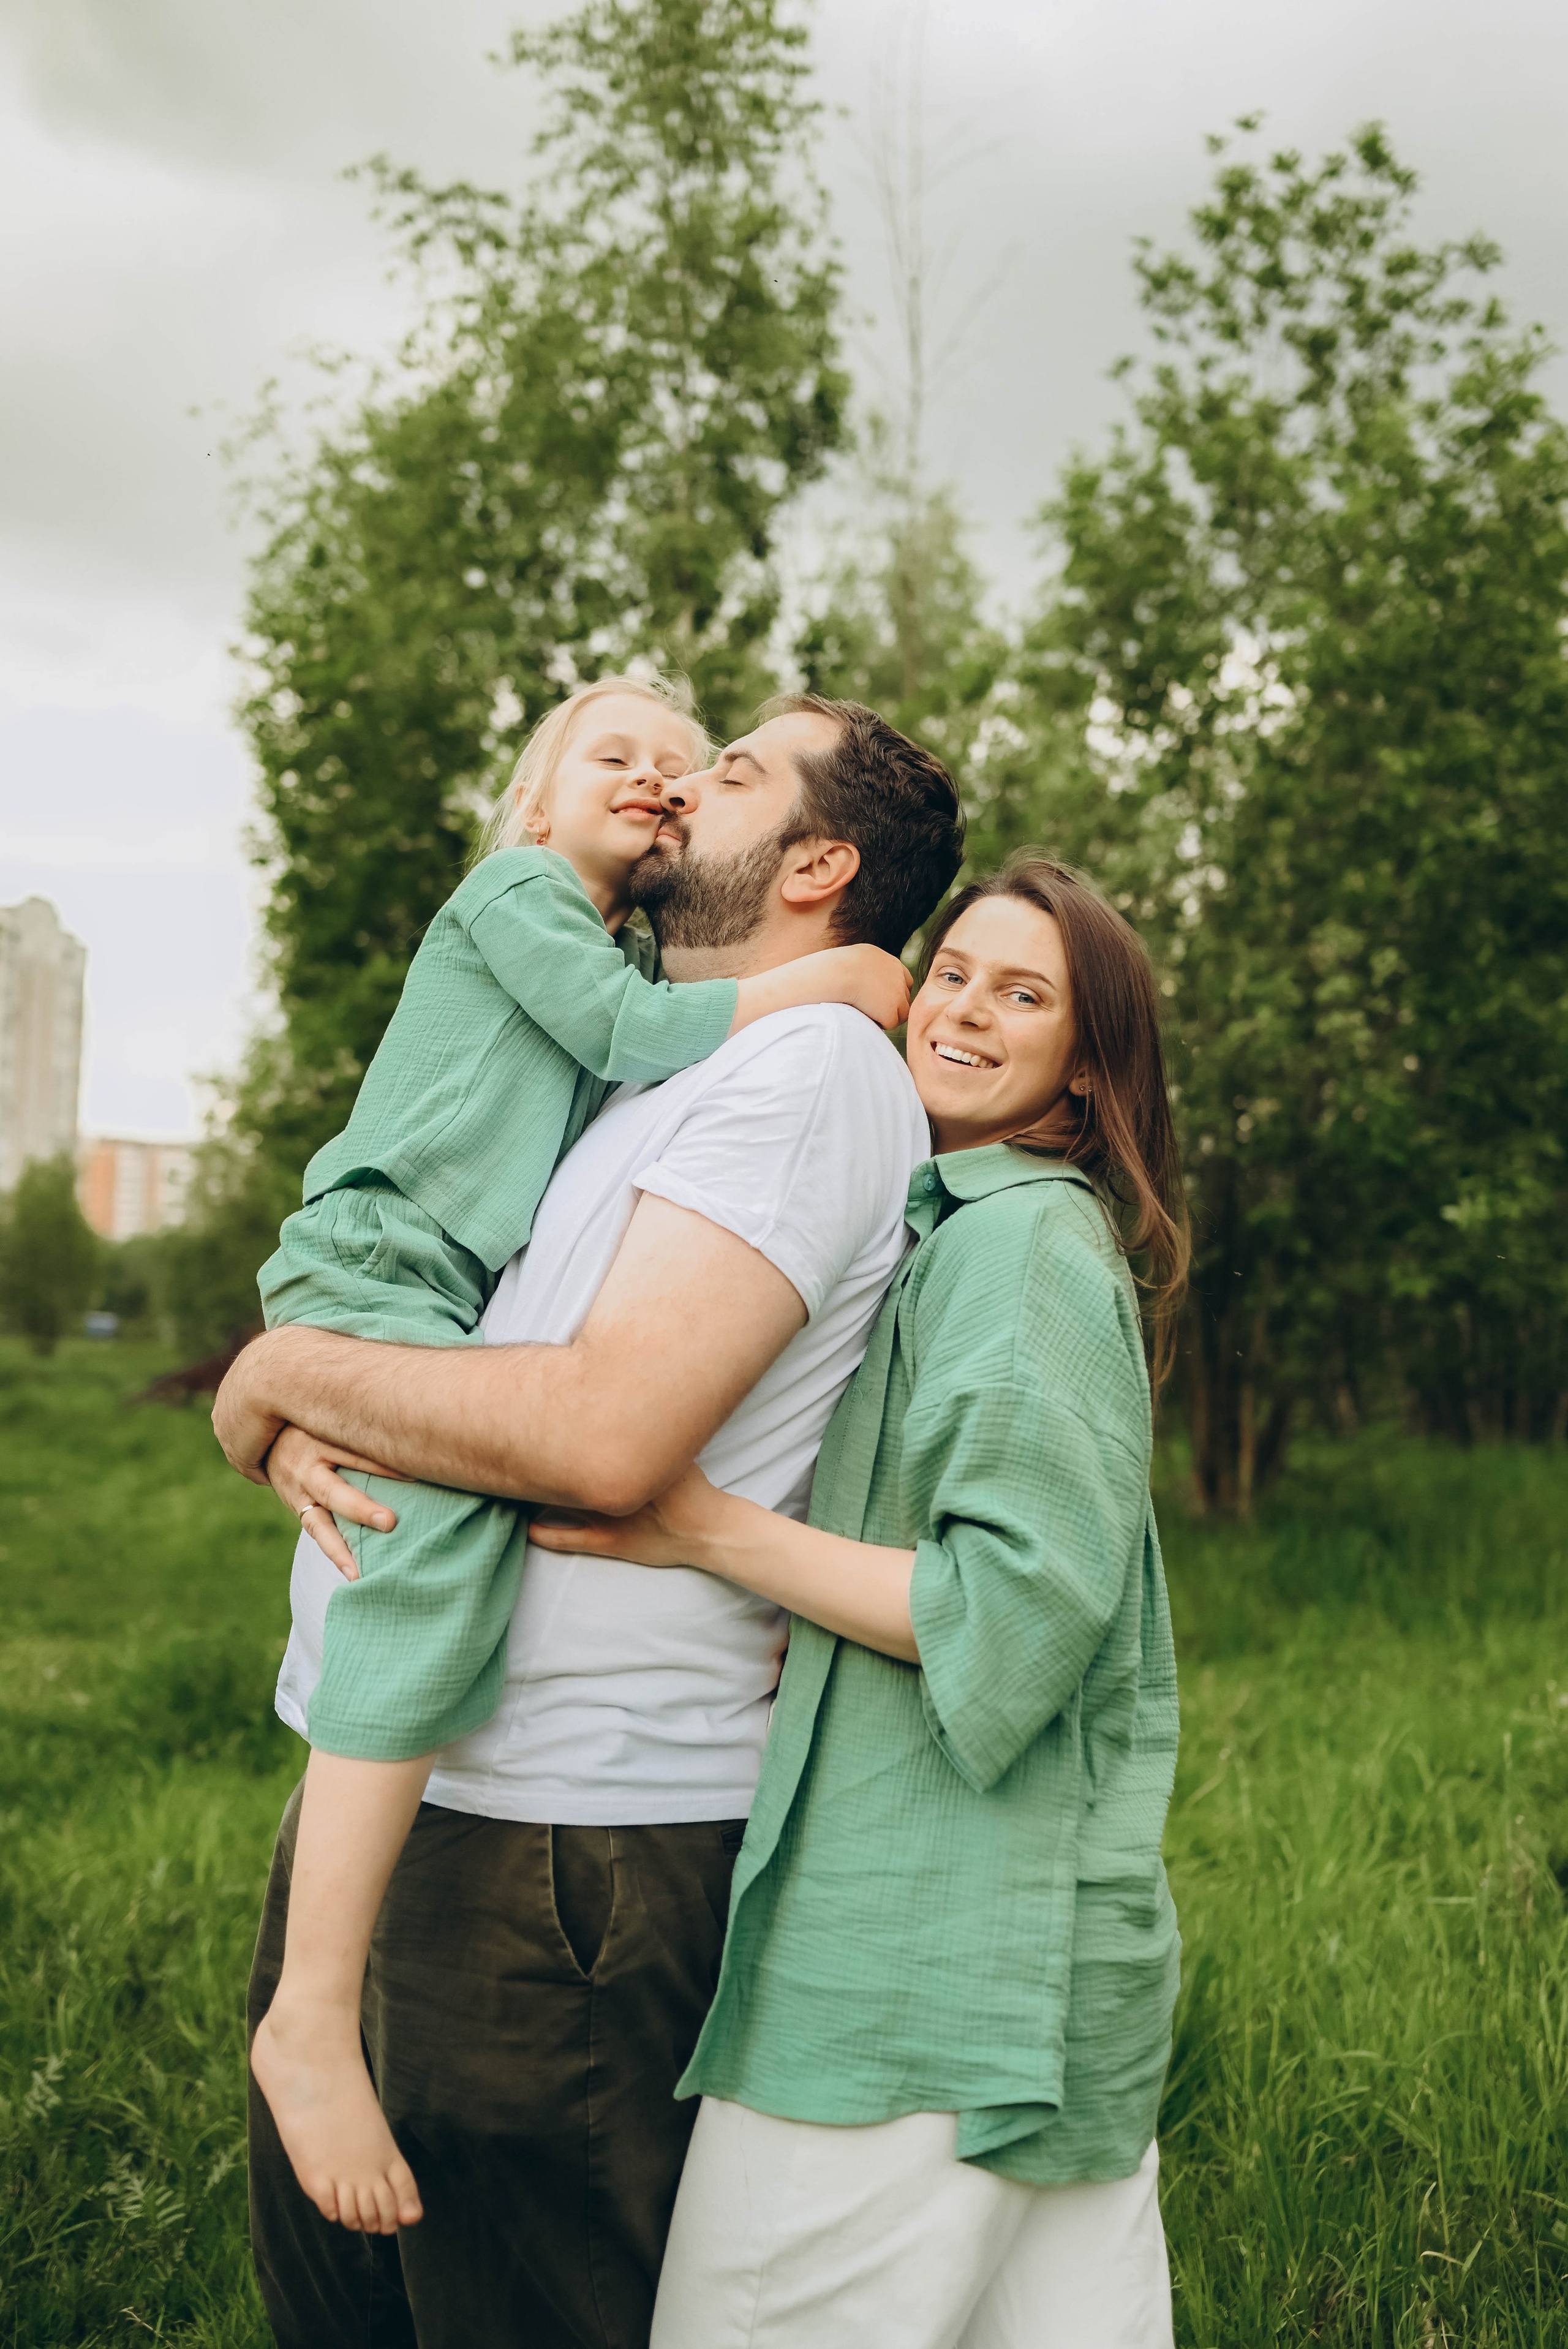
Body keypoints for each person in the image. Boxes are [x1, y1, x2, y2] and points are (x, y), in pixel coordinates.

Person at [213, 695, 965, 2349]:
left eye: (737, 771)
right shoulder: (636, 1048)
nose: (687, 785)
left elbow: (600, 1429)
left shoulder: (812, 1065)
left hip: (561, 1856)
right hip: (409, 1784)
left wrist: (288, 1365)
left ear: (819, 862)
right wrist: (306, 1396)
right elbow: (462, 1349)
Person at [531, 856, 1190, 2349]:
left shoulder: (1017, 1244)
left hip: (923, 1965)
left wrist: (701, 1527)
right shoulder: (956, 1225)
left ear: (1083, 1072)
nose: (962, 1007)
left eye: (1023, 995)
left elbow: (1012, 1610)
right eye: (952, 968)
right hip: (1039, 1976)